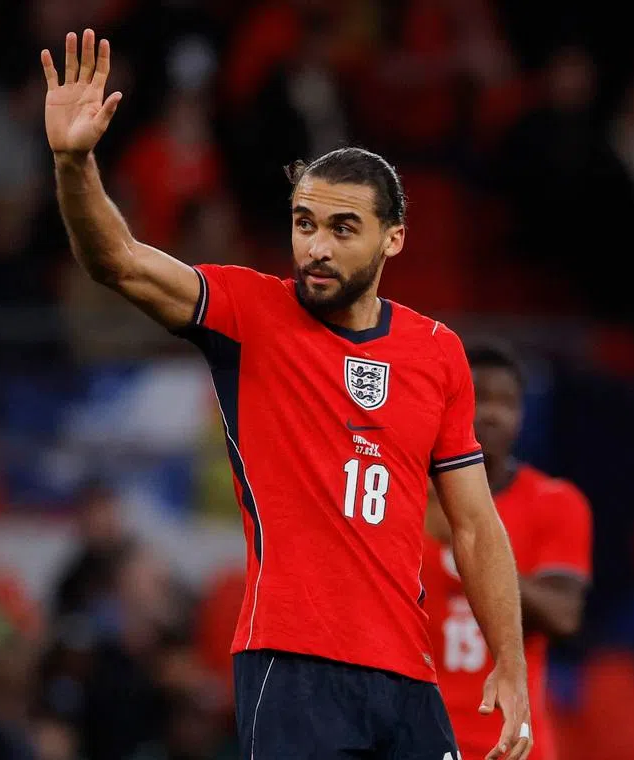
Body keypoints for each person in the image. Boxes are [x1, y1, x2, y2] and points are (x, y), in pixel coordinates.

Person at [41, 29, 532, 760]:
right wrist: (74, 163)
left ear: (393, 240)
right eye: (305, 224)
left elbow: (476, 526)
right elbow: (117, 260)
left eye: (343, 228)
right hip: (291, 665)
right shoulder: (248, 313)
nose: (317, 247)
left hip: (407, 674)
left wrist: (511, 665)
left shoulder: (437, 352)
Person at [420, 343, 592, 760]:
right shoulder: (407, 497)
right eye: (480, 398)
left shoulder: (555, 501)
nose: (493, 414)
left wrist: (473, 547)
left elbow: (564, 617)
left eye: (508, 403)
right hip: (417, 734)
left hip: (510, 742)